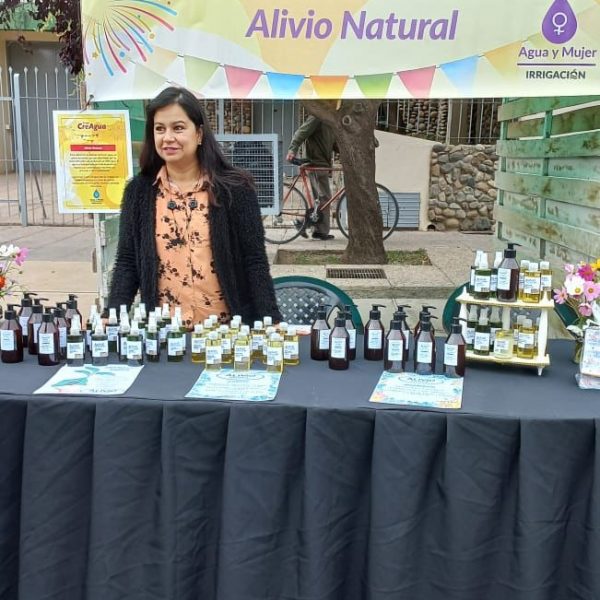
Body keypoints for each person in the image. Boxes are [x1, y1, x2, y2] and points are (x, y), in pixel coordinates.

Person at [106, 86, 281, 327]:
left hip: (227, 333)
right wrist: (111, 315)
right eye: (160, 129)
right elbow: (127, 262)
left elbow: (255, 261)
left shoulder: (235, 190)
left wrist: (271, 320)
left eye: (178, 128)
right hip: (165, 334)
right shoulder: (139, 192)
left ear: (199, 134)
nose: (168, 137)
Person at [286, 114, 336, 240]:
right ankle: (303, 223)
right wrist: (292, 149)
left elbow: (334, 144)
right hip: (316, 163)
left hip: (322, 163)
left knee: (321, 198)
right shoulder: (317, 116)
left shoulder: (330, 120)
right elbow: (302, 132)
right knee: (324, 198)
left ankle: (319, 231)